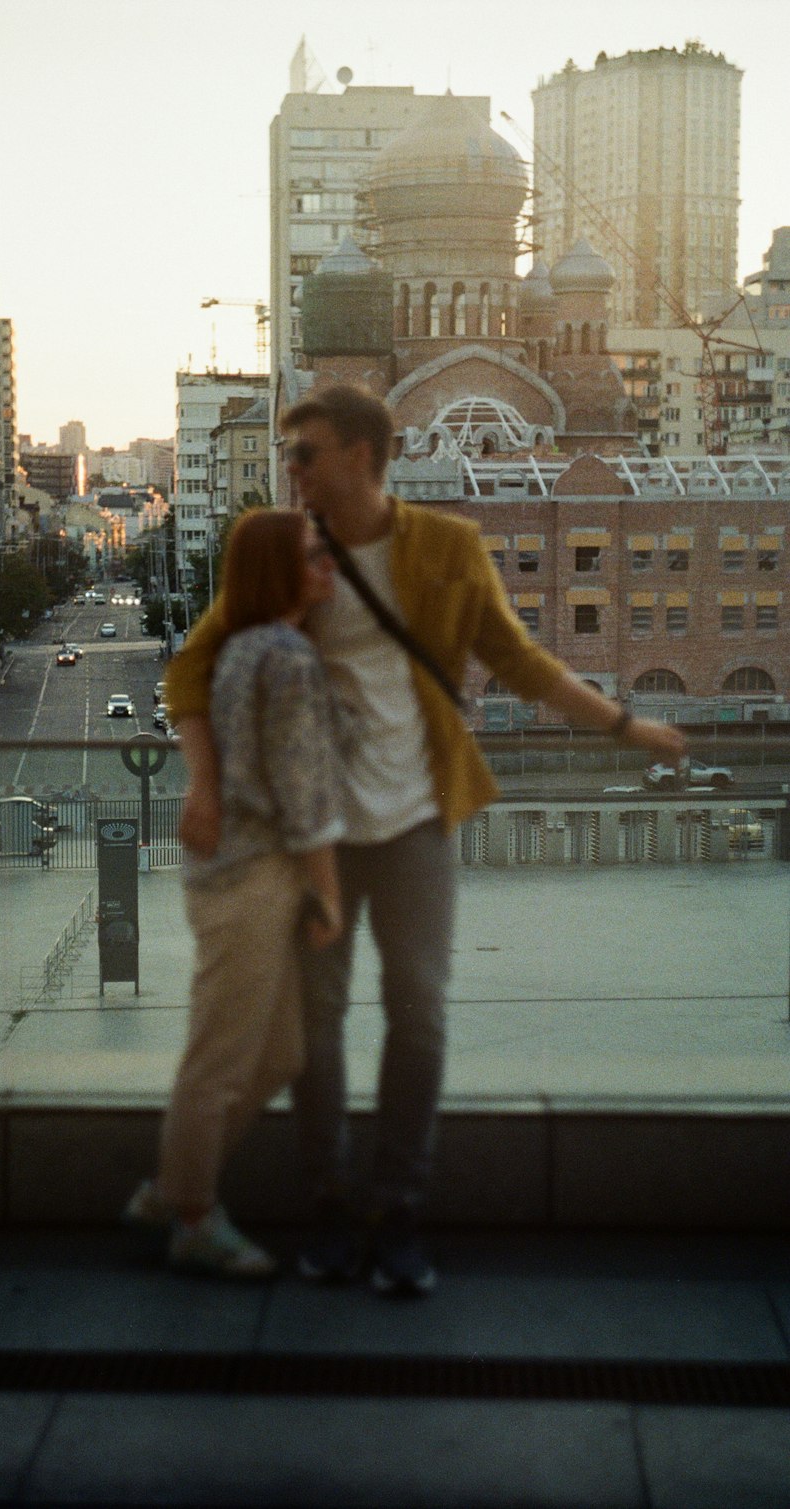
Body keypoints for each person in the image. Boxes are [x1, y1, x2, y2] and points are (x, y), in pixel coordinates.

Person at [167, 384, 688, 1297]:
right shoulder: (295, 554)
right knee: (318, 1030)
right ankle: (330, 1208)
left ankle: (397, 1208)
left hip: (414, 820)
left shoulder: (445, 545)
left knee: (422, 1014)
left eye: (306, 452)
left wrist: (622, 725)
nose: (291, 470)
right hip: (316, 837)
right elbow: (193, 667)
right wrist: (204, 783)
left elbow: (521, 661)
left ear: (364, 455)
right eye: (290, 454)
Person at [125, 508, 345, 1278]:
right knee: (218, 1058)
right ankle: (192, 1215)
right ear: (280, 571)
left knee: (281, 1048)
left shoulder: (247, 648)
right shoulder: (285, 656)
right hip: (251, 875)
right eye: (314, 558)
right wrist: (328, 890)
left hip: (242, 871)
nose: (329, 569)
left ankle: (175, 1187)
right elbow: (303, 791)